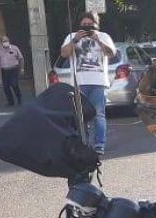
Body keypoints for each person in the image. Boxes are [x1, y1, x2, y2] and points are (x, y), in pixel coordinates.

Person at [60, 12, 116, 155]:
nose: (86, 27)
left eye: (89, 24)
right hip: (79, 83)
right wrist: (75, 40)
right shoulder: (72, 36)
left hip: (99, 82)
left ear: (96, 25)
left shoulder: (104, 36)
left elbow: (111, 53)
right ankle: (84, 143)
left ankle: (99, 145)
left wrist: (97, 40)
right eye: (84, 24)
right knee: (80, 116)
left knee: (98, 115)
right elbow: (64, 54)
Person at [0, 36, 24, 107]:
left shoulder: (15, 48)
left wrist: (22, 69)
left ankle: (19, 98)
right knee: (6, 87)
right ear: (1, 42)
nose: (5, 42)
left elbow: (21, 58)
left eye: (6, 41)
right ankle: (10, 101)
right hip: (4, 70)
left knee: (14, 84)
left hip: (13, 69)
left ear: (9, 41)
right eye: (4, 41)